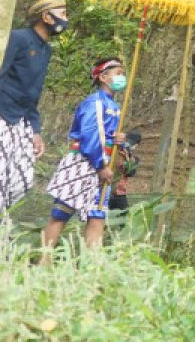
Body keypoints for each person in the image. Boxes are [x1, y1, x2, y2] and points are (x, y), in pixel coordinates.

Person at [0, 0, 68, 231]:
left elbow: (33, 93)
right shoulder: (18, 38)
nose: (65, 19)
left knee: (20, 183)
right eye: (62, 13)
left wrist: (35, 131)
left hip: (22, 121)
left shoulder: (45, 50)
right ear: (46, 16)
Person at [42, 58, 127, 249]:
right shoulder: (95, 102)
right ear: (104, 77)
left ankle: (92, 268)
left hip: (103, 164)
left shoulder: (114, 106)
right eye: (119, 73)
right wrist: (100, 166)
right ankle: (44, 260)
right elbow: (90, 135)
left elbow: (106, 136)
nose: (123, 77)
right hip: (84, 162)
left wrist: (117, 140)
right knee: (61, 212)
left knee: (97, 215)